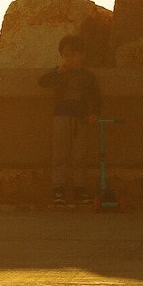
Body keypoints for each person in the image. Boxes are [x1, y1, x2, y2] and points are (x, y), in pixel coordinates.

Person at [38, 34, 101, 205]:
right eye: (65, 54)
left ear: (82, 55)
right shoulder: (58, 72)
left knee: (79, 154)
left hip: (81, 118)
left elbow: (95, 97)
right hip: (61, 116)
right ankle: (58, 188)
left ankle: (80, 188)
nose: (69, 58)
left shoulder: (88, 77)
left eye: (73, 54)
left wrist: (94, 113)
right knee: (59, 153)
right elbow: (42, 82)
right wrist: (58, 71)